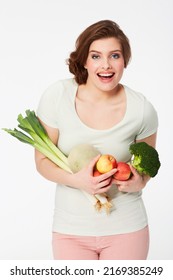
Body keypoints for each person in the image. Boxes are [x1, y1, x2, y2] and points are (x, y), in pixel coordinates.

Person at [35, 19, 158, 260]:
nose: (106, 65)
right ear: (83, 60)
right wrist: (77, 181)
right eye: (95, 56)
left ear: (125, 60)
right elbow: (41, 161)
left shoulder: (141, 109)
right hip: (70, 231)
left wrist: (139, 182)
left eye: (114, 56)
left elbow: (147, 167)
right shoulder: (57, 96)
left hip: (127, 229)